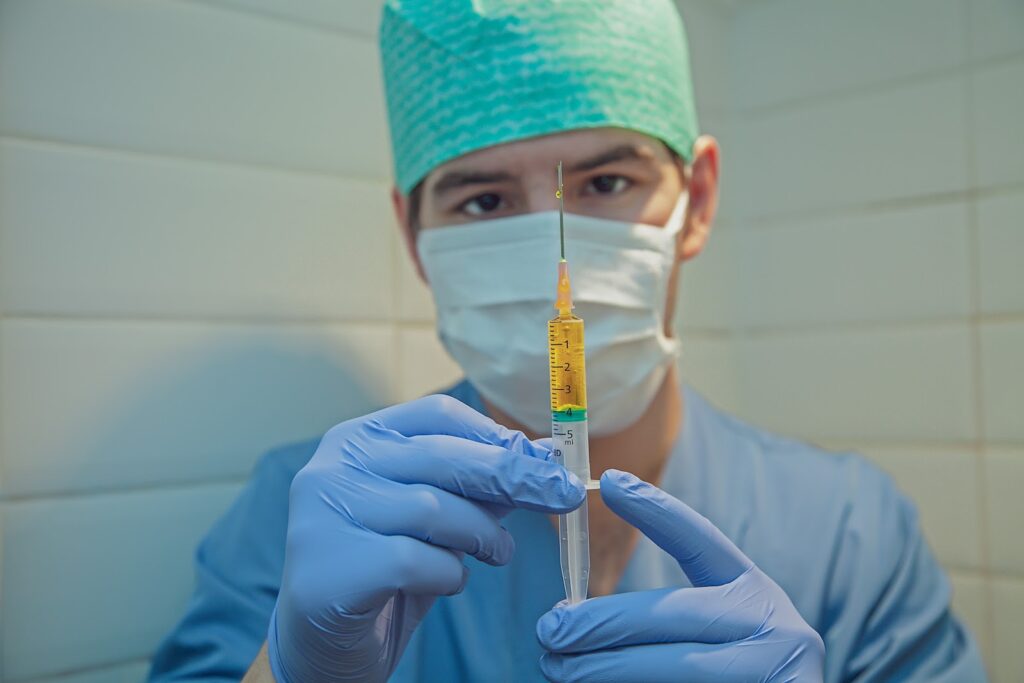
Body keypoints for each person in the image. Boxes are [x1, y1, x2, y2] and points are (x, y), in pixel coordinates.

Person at [149, 1, 986, 681]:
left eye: (607, 182)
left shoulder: (847, 529)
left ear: (695, 199)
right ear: (414, 237)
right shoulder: (315, 514)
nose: (554, 238)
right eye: (483, 202)